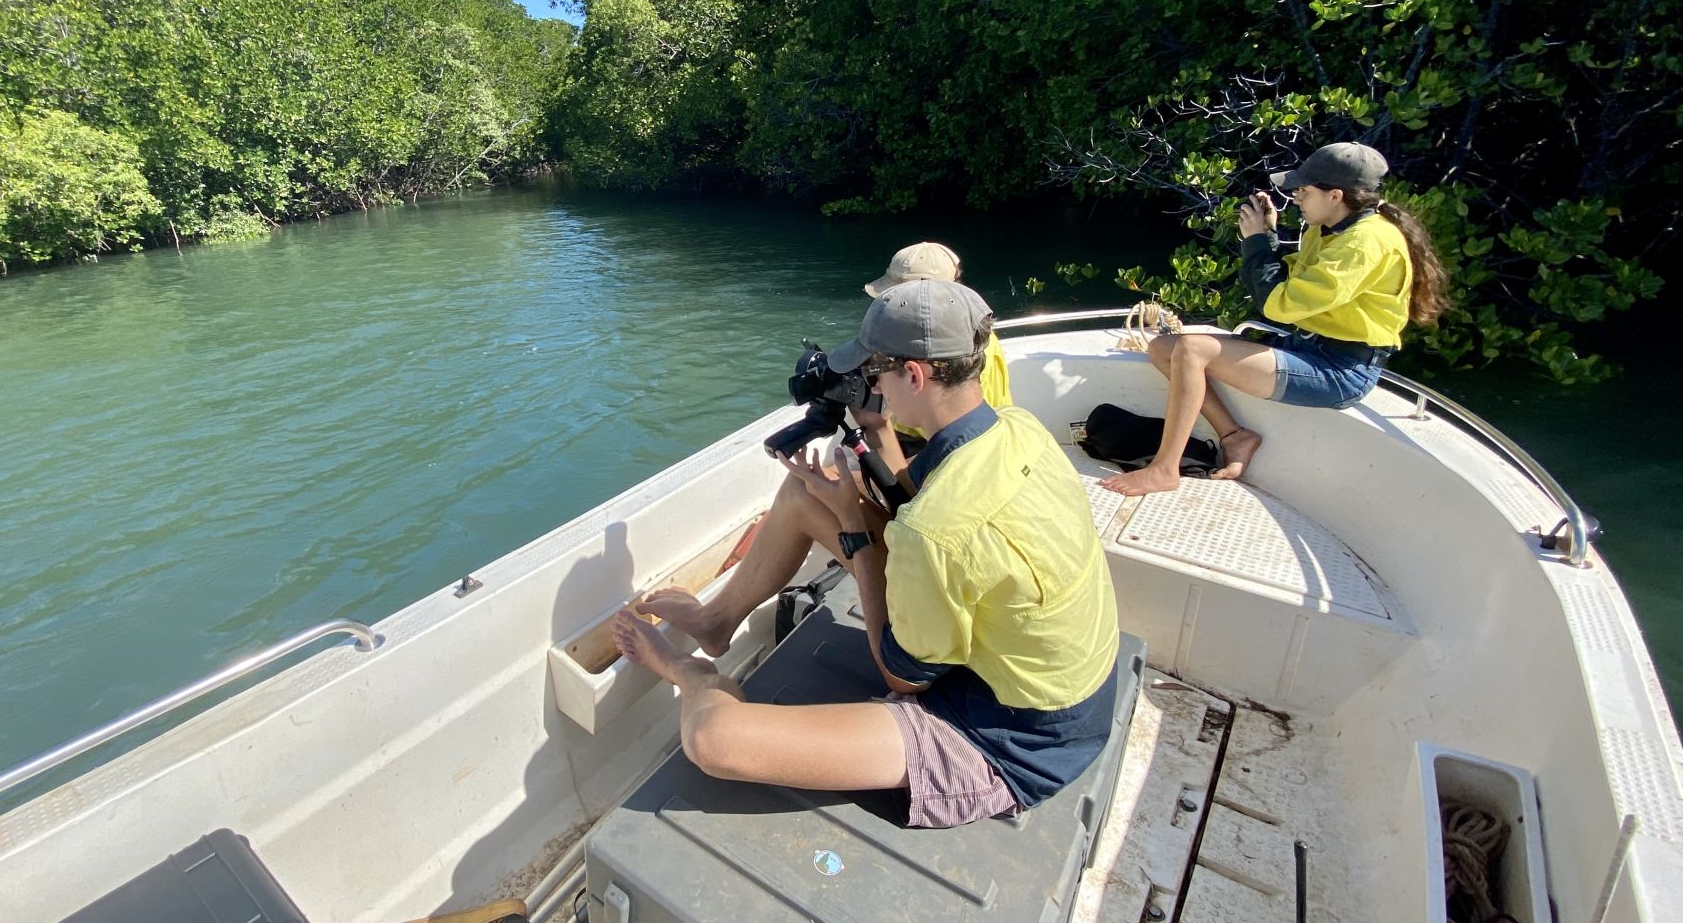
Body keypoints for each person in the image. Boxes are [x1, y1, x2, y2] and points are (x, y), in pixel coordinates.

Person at [618, 280, 1120, 828]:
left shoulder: (935, 535)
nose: (869, 384)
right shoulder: (1017, 428)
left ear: (914, 375)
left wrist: (855, 527)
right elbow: (923, 502)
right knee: (805, 493)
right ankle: (717, 621)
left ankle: (690, 671)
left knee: (715, 740)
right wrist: (877, 432)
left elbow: (904, 677)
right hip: (1057, 677)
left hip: (1015, 738)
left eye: (874, 371)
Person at [1098, 141, 1450, 497]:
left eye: (1303, 190)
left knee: (1192, 350)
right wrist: (1266, 235)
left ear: (1335, 196)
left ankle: (1164, 469)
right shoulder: (1327, 229)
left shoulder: (1364, 244)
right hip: (1307, 346)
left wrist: (1258, 241)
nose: (1295, 197)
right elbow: (1280, 286)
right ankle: (1236, 437)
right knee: (1164, 347)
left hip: (1341, 369)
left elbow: (1277, 305)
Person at [858, 242, 1012, 483]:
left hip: (946, 449)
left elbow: (958, 439)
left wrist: (878, 427)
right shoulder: (975, 337)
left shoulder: (937, 354)